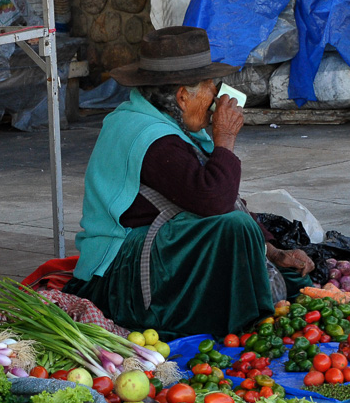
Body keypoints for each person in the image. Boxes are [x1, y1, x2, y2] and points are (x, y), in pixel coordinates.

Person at [66, 26, 315, 339]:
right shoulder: (149, 137)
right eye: (210, 87)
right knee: (233, 228)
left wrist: (274, 252)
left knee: (291, 279)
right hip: (120, 276)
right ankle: (245, 322)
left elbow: (213, 200)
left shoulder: (163, 122)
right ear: (182, 96)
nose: (216, 98)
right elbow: (213, 201)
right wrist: (224, 139)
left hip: (160, 245)